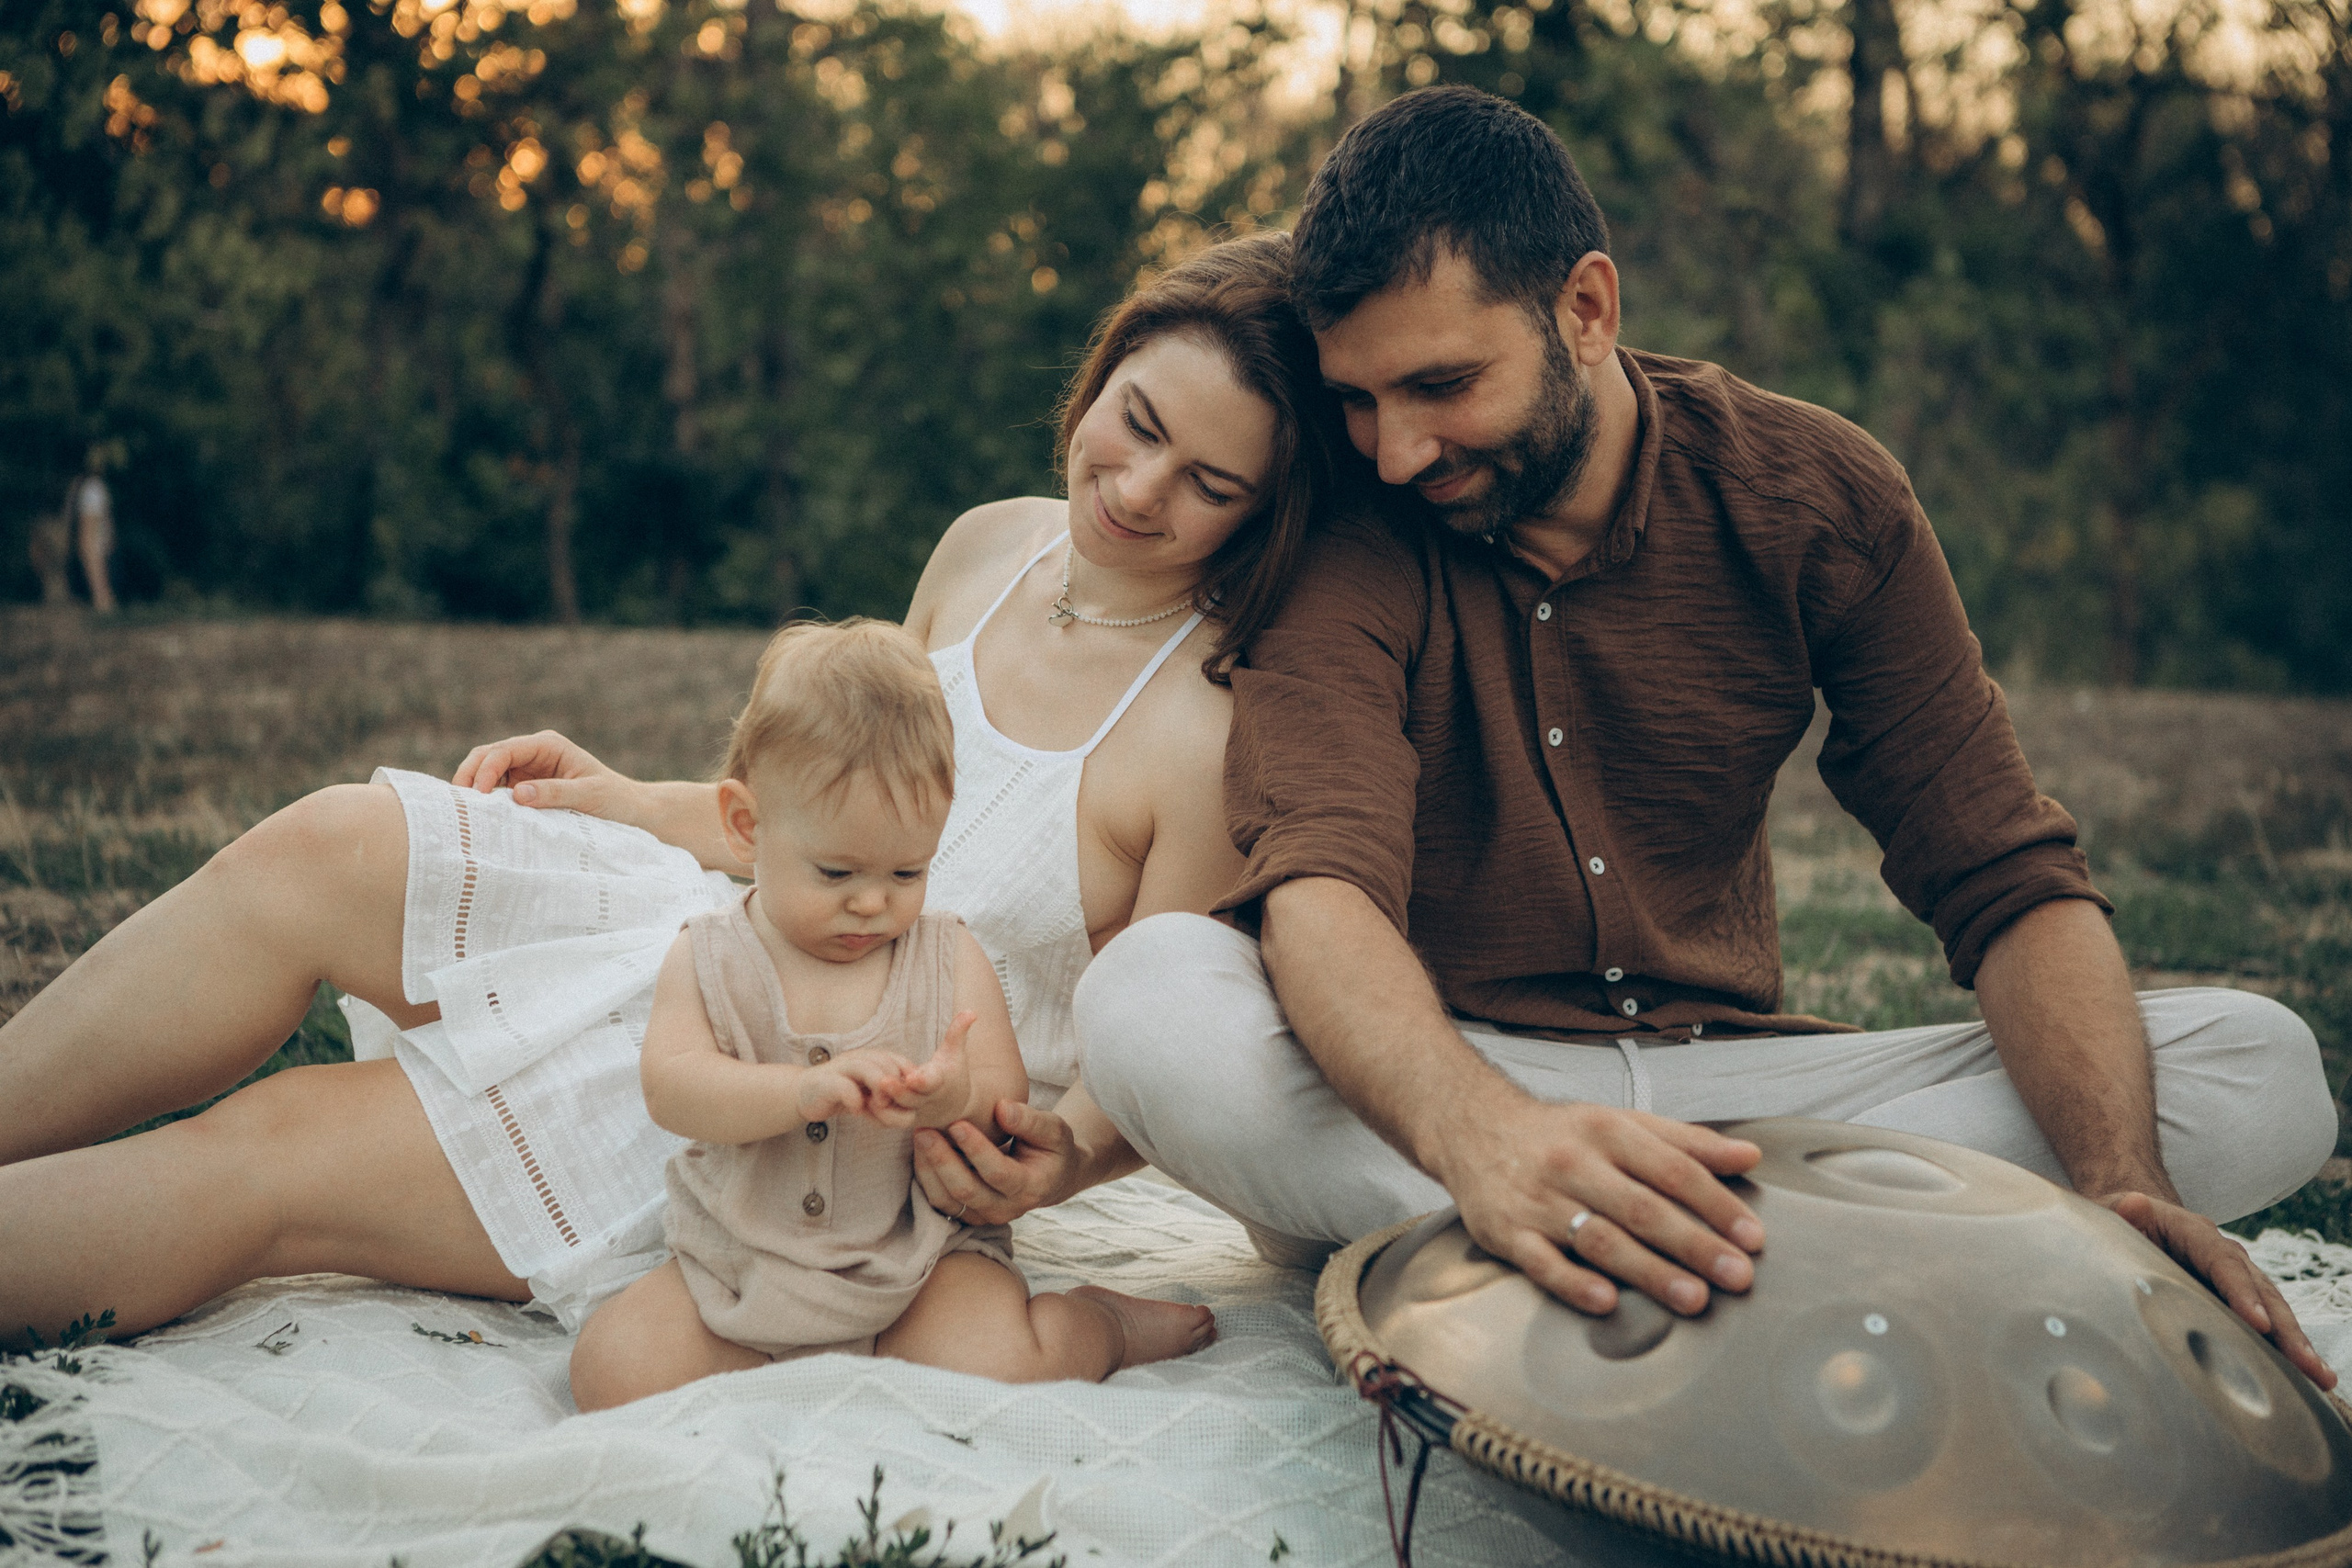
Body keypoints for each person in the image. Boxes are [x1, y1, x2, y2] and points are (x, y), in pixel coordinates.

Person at [1039, 86, 2337, 1388]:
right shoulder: (1351, 527)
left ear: (1587, 310)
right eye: (1360, 400)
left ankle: (1561, 1254)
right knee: (1153, 999)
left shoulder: (1819, 496)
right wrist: (1485, 1138)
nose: (1395, 450)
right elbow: (1322, 884)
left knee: (2258, 1069)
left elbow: (2002, 873)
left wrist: (2122, 1188)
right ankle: (1663, 1245)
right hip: (1438, 1081)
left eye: (1441, 384)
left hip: (1750, 1106)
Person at [0, 231, 1331, 1350]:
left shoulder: (1209, 725)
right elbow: (825, 819)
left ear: (1264, 514)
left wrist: (1063, 1156)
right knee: (329, 844)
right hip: (705, 929)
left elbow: (1159, 1060)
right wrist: (634, 797)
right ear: (1101, 374)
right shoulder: (991, 542)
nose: (1140, 487)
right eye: (1137, 421)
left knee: (278, 1148)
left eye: (1210, 482)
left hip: (808, 1098)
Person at [567, 621, 1211, 1410]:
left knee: (992, 1366)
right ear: (746, 825)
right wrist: (797, 1093)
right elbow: (674, 1087)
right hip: (745, 1256)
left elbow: (1004, 1092)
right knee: (612, 1370)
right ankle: (798, 1369)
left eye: (909, 869)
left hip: (925, 1257)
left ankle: (1101, 1324)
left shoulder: (946, 954)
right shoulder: (709, 954)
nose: (873, 901)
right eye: (836, 870)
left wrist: (948, 1098)